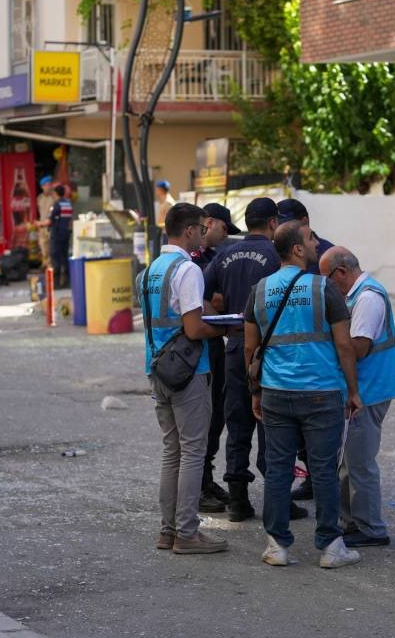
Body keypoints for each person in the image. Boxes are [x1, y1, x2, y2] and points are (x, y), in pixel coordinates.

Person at [245, 220, 364, 569]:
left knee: (279, 469)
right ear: (297, 249)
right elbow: (344, 345)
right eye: (311, 239)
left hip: (276, 392)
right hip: (321, 392)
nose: (316, 244)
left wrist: (254, 391)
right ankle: (330, 547)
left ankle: (277, 546)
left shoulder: (260, 290)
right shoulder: (324, 289)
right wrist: (353, 390)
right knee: (324, 470)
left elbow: (250, 348)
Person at [203, 198, 308, 523]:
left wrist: (220, 317)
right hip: (271, 348)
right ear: (274, 222)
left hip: (235, 345)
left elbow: (199, 295)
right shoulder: (276, 254)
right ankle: (278, 499)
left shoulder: (224, 254)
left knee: (237, 422)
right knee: (274, 423)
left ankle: (238, 500)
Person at [141, 202, 228, 555]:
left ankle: (168, 531)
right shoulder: (188, 269)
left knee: (172, 451)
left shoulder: (150, 271)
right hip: (190, 372)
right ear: (190, 230)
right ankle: (188, 534)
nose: (204, 235)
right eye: (201, 229)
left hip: (157, 368)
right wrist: (225, 328)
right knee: (193, 451)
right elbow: (193, 328)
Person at [319, 246, 395, 548]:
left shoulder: (367, 298)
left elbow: (358, 348)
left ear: (341, 273)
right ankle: (352, 521)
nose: (326, 286)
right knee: (349, 460)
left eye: (327, 279)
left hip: (370, 389)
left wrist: (326, 345)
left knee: (359, 462)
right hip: (365, 388)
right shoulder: (356, 294)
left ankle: (371, 528)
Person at [275, 198, 335, 501]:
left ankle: (320, 487)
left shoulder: (324, 253)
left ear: (305, 221)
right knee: (297, 438)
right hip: (289, 364)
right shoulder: (284, 252)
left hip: (318, 365)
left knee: (321, 443)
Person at [190, 202, 240, 513]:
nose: (224, 236)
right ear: (209, 223)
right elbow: (204, 303)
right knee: (201, 420)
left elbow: (221, 300)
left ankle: (205, 479)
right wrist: (215, 302)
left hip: (216, 346)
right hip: (198, 349)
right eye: (223, 228)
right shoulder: (192, 261)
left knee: (217, 415)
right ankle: (197, 486)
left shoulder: (215, 258)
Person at [276, 199, 334, 275]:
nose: (281, 229)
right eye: (278, 225)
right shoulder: (275, 253)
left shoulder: (329, 254)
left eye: (288, 225)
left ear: (304, 221)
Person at [46, 185, 72, 288]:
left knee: (55, 258)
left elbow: (50, 220)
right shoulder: (68, 204)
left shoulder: (57, 205)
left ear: (56, 194)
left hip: (56, 235)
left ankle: (56, 284)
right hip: (66, 234)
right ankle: (67, 282)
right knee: (65, 258)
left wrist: (39, 224)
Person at [36, 176, 55, 268]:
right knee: (43, 247)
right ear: (42, 186)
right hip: (42, 226)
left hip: (51, 226)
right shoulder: (39, 198)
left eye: (49, 184)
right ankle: (46, 264)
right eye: (46, 185)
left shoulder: (54, 197)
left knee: (51, 247)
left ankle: (51, 267)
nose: (48, 186)